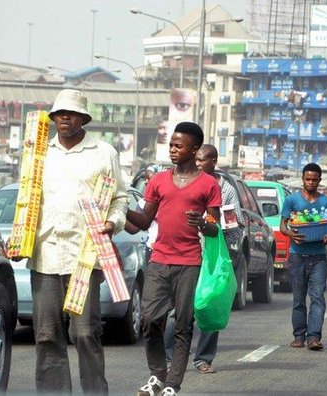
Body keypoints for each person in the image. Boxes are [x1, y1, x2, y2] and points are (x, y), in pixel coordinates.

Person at [25, 89, 128, 394]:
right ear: (53, 118)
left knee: (85, 333)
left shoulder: (103, 152)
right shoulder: (39, 153)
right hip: (45, 255)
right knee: (46, 335)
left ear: (83, 119)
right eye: (59, 114)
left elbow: (119, 198)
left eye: (71, 114)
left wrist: (112, 223)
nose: (64, 118)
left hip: (85, 256)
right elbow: (27, 198)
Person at [126, 122, 221, 396]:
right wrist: (119, 212)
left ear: (194, 149)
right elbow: (143, 221)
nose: (173, 150)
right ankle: (157, 374)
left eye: (179, 146)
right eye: (171, 145)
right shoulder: (158, 181)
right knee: (148, 319)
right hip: (159, 260)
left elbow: (214, 227)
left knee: (182, 324)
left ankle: (172, 384)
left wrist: (202, 223)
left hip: (190, 262)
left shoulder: (208, 185)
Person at [164, 144, 244, 375]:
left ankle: (203, 359)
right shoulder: (182, 181)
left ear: (213, 161)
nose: (197, 164)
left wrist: (218, 226)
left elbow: (235, 226)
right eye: (195, 159)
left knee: (209, 305)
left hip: (209, 257)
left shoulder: (225, 189)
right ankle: (170, 357)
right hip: (182, 253)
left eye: (202, 160)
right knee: (176, 309)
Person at [280, 163, 327, 351]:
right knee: (299, 298)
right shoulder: (292, 200)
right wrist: (290, 234)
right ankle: (298, 336)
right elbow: (283, 226)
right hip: (297, 256)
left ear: (319, 180)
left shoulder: (326, 203)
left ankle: (314, 337)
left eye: (314, 179)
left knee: (318, 297)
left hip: (318, 256)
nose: (310, 182)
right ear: (302, 179)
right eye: (307, 179)